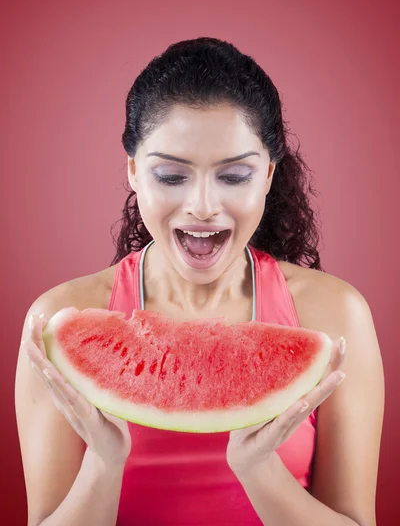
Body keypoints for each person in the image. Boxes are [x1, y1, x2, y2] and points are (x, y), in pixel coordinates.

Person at [16, 37, 384, 526]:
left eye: (234, 176)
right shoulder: (56, 322)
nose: (204, 206)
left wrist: (259, 472)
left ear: (269, 175)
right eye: (171, 175)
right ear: (132, 171)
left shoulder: (335, 317)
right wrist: (102, 464)